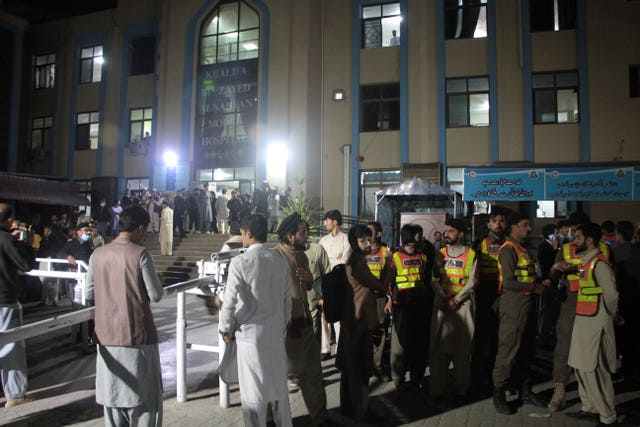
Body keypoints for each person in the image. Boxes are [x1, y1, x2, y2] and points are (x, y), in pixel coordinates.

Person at [86, 204, 164, 426]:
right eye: (146, 229)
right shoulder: (140, 254)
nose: (146, 234)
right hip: (138, 336)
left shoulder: (97, 254)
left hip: (105, 336)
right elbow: (156, 295)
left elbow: (89, 292)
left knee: (112, 398)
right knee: (144, 399)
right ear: (139, 228)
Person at [219, 214, 293, 427]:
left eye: (242, 234)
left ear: (249, 233)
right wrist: (283, 326)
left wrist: (225, 328)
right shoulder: (279, 261)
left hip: (250, 336)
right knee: (279, 391)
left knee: (253, 396)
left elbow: (230, 301)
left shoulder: (240, 262)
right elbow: (288, 299)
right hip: (276, 333)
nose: (241, 237)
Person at [547, 212, 610, 412]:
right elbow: (553, 275)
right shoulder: (565, 250)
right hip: (570, 304)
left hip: (594, 308)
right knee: (564, 348)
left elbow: (611, 282)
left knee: (593, 357)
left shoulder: (605, 251)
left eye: (578, 230)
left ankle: (595, 403)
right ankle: (560, 391)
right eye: (573, 229)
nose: (574, 234)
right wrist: (556, 268)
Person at [272, 213, 329, 426]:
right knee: (278, 380)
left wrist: (309, 279)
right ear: (289, 235)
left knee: (314, 376)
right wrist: (285, 325)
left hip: (306, 327)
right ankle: (273, 420)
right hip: (288, 331)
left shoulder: (302, 256)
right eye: (303, 233)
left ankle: (320, 418)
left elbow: (306, 287)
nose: (307, 236)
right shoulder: (275, 257)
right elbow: (272, 296)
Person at [492, 211, 548, 415]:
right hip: (514, 307)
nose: (529, 228)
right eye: (525, 224)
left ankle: (525, 391)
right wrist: (534, 286)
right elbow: (507, 282)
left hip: (527, 306)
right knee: (508, 351)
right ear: (513, 227)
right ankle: (499, 394)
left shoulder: (522, 249)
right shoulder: (508, 250)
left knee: (527, 351)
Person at [566, 223, 618, 426]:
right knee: (581, 367)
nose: (573, 241)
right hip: (583, 321)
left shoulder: (600, 264)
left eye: (577, 237)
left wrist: (610, 315)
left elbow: (612, 296)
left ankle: (607, 416)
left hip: (596, 323)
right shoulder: (585, 263)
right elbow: (582, 287)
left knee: (595, 370)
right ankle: (589, 407)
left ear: (589, 240)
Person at [336, 224, 385, 421]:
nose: (368, 243)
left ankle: (348, 408)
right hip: (358, 322)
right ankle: (361, 411)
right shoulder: (357, 262)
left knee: (349, 369)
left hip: (352, 320)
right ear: (354, 242)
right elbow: (378, 285)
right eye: (363, 240)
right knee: (359, 370)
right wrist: (389, 270)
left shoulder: (353, 259)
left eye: (369, 239)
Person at [430, 218, 477, 404]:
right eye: (445, 230)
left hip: (463, 306)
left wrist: (456, 300)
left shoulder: (471, 254)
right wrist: (444, 298)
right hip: (442, 306)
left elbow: (472, 282)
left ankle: (461, 391)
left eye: (450, 231)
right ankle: (437, 391)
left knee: (463, 350)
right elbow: (433, 279)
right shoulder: (440, 253)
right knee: (439, 350)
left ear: (461, 234)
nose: (446, 234)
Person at [384, 223, 432, 391]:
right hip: (401, 307)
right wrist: (389, 300)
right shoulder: (394, 257)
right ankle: (398, 378)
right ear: (410, 238)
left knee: (419, 345)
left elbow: (425, 279)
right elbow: (389, 282)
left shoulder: (423, 256)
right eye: (419, 236)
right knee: (399, 346)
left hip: (420, 306)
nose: (422, 239)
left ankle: (416, 378)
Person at [0, 203, 35, 407]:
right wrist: (28, 244)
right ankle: (15, 395)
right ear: (9, 220)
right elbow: (26, 265)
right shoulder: (7, 240)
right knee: (11, 348)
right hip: (5, 301)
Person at [470, 206, 508, 396]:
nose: (498, 224)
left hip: (505, 295)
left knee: (500, 337)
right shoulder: (480, 244)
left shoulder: (511, 243)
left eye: (501, 221)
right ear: (489, 224)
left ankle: (497, 376)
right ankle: (479, 377)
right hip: (485, 294)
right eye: (495, 221)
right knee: (483, 336)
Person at [318, 209, 350, 360]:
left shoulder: (346, 239)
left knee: (338, 316)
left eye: (327, 220)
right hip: (325, 281)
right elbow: (320, 261)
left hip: (339, 282)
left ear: (335, 222)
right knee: (324, 314)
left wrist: (332, 261)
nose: (325, 223)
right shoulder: (323, 241)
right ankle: (325, 348)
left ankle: (339, 348)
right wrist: (335, 259)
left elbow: (344, 262)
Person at [613, 220, 640, 385]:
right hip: (637, 300)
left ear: (618, 235)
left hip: (624, 301)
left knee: (625, 339)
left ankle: (627, 373)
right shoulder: (637, 251)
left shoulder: (615, 253)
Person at [365, 221, 391, 381]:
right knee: (365, 332)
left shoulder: (386, 252)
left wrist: (390, 299)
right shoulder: (361, 251)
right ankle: (366, 365)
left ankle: (378, 365)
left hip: (380, 298)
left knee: (380, 332)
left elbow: (392, 278)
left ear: (379, 234)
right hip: (363, 299)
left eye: (370, 231)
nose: (367, 234)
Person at [304, 241, 331, 340]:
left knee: (313, 335)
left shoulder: (317, 249)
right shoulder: (286, 253)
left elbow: (327, 273)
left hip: (314, 305)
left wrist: (325, 296)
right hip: (295, 308)